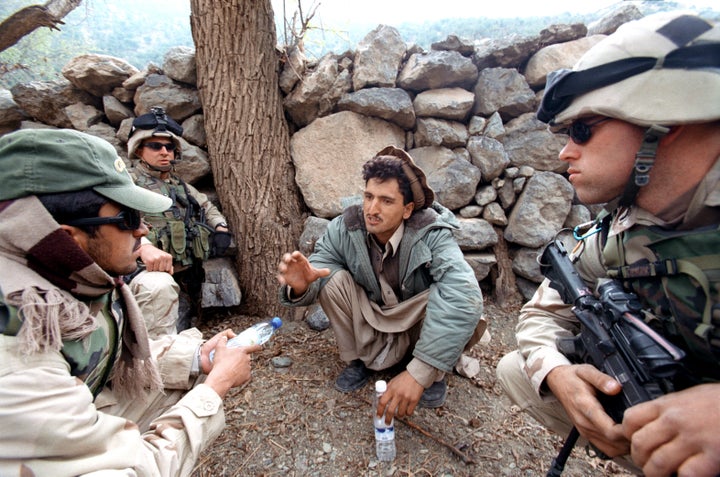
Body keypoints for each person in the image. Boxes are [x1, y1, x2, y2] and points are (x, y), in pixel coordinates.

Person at [496, 12, 720, 477]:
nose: (564, 152)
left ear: (664, 116)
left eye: (583, 129)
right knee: (519, 370)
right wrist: (557, 375)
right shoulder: (626, 227)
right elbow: (543, 311)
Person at [0, 128, 261, 476]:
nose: (143, 231)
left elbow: (100, 358)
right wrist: (216, 388)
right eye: (128, 219)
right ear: (68, 238)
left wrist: (195, 358)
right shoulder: (18, 357)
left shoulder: (65, 276)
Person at [277, 145, 485, 421]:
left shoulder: (432, 233)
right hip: (374, 317)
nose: (372, 209)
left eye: (386, 201)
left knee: (449, 293)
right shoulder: (346, 227)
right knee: (331, 279)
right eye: (368, 197)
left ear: (408, 209)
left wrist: (419, 373)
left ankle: (430, 371)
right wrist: (302, 285)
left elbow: (462, 293)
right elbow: (320, 268)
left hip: (415, 323)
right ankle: (359, 361)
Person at [126, 107, 233, 336]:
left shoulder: (179, 184)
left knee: (186, 320)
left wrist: (220, 227)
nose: (164, 152)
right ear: (139, 149)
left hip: (185, 269)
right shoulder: (128, 183)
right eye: (155, 146)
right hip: (148, 273)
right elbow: (120, 224)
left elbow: (206, 205)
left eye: (169, 147)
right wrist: (144, 246)